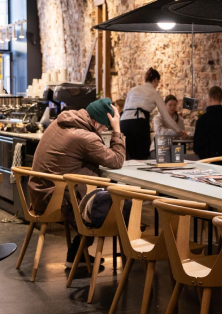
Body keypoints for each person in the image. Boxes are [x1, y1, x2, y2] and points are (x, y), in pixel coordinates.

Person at [28, 98, 125, 267]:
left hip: (40, 192)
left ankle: (78, 254)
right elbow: (117, 160)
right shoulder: (86, 137)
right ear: (96, 123)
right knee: (108, 207)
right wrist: (117, 130)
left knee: (96, 196)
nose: (104, 131)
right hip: (55, 200)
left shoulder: (61, 122)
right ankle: (77, 254)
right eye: (104, 127)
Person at [120, 67, 187, 160]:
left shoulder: (133, 90)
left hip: (123, 121)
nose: (157, 85)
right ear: (155, 80)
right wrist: (179, 131)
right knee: (142, 156)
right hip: (138, 122)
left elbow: (125, 108)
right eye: (158, 82)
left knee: (130, 156)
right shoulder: (154, 93)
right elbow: (166, 116)